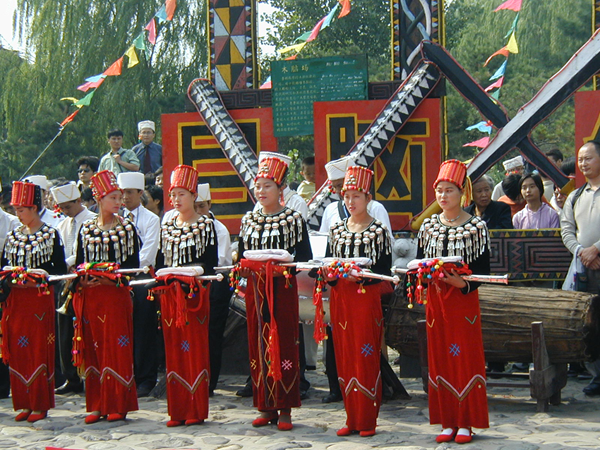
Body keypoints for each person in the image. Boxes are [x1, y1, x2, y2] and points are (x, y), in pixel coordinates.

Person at [236, 155, 312, 431]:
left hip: (283, 289)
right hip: (256, 291)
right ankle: (265, 405)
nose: (261, 191)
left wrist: (282, 268)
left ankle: (285, 407)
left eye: (267, 185)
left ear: (280, 189)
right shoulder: (248, 220)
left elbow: (304, 257)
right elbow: (242, 256)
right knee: (258, 342)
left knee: (284, 341)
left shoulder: (293, 219)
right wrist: (245, 269)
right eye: (258, 186)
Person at [416, 159, 490, 444]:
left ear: (462, 193)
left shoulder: (476, 227)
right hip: (437, 301)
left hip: (463, 301)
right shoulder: (428, 226)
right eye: (439, 190)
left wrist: (463, 284)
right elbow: (420, 264)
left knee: (464, 357)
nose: (443, 196)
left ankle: (466, 421)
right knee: (440, 357)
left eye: (449, 190)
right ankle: (447, 420)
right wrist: (423, 276)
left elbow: (484, 271)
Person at [320, 165, 392, 437]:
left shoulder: (378, 231)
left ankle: (367, 418)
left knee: (365, 354)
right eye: (346, 196)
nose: (350, 202)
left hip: (365, 300)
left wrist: (359, 277)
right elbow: (329, 263)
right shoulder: (337, 229)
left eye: (356, 196)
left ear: (368, 198)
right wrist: (330, 276)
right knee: (344, 354)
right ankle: (351, 416)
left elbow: (384, 271)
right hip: (341, 300)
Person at [152, 165, 218, 426]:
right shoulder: (167, 226)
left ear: (193, 196)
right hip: (170, 296)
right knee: (174, 349)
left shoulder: (206, 225)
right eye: (173, 194)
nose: (176, 199)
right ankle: (178, 409)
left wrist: (189, 273)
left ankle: (196, 408)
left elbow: (210, 264)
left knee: (194, 349)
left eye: (182, 194)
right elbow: (160, 263)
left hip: (193, 296)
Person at [72, 170, 140, 424]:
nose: (118, 202)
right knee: (93, 346)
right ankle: (97, 403)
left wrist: (111, 279)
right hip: (92, 296)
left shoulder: (126, 228)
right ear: (99, 199)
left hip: (115, 296)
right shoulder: (86, 229)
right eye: (112, 197)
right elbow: (80, 262)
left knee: (116, 346)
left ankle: (118, 403)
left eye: (119, 197)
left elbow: (132, 266)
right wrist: (82, 279)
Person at [0, 180, 67, 423]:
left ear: (34, 208)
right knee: (18, 349)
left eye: (21, 210)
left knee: (38, 349)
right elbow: (3, 268)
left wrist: (39, 279)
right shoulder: (13, 236)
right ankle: (23, 401)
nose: (18, 215)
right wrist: (10, 280)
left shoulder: (50, 234)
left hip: (38, 300)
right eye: (15, 210)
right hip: (16, 301)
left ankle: (39, 402)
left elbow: (59, 270)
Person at [561, 140, 600, 396]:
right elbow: (566, 229)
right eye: (580, 159)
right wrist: (581, 252)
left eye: (589, 158)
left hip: (595, 257)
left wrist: (596, 248)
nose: (583, 163)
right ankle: (597, 375)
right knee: (589, 324)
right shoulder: (575, 196)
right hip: (584, 268)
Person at [118, 172, 161, 397]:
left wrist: (127, 270)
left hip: (141, 279)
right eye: (122, 193)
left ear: (140, 193)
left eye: (129, 192)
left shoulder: (150, 219)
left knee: (144, 329)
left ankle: (145, 378)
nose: (125, 197)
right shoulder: (116, 218)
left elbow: (148, 253)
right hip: (118, 279)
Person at [51, 182, 96, 395]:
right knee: (65, 331)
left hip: (85, 280)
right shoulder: (62, 224)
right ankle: (70, 376)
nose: (65, 211)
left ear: (78, 201)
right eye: (61, 208)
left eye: (68, 207)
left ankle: (90, 374)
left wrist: (71, 263)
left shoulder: (91, 220)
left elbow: (82, 252)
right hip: (66, 281)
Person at [193, 183, 233, 396]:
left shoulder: (219, 229)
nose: (198, 211)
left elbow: (220, 261)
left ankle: (210, 380)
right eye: (195, 206)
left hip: (215, 284)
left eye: (201, 206)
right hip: (193, 286)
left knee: (212, 335)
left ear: (209, 204)